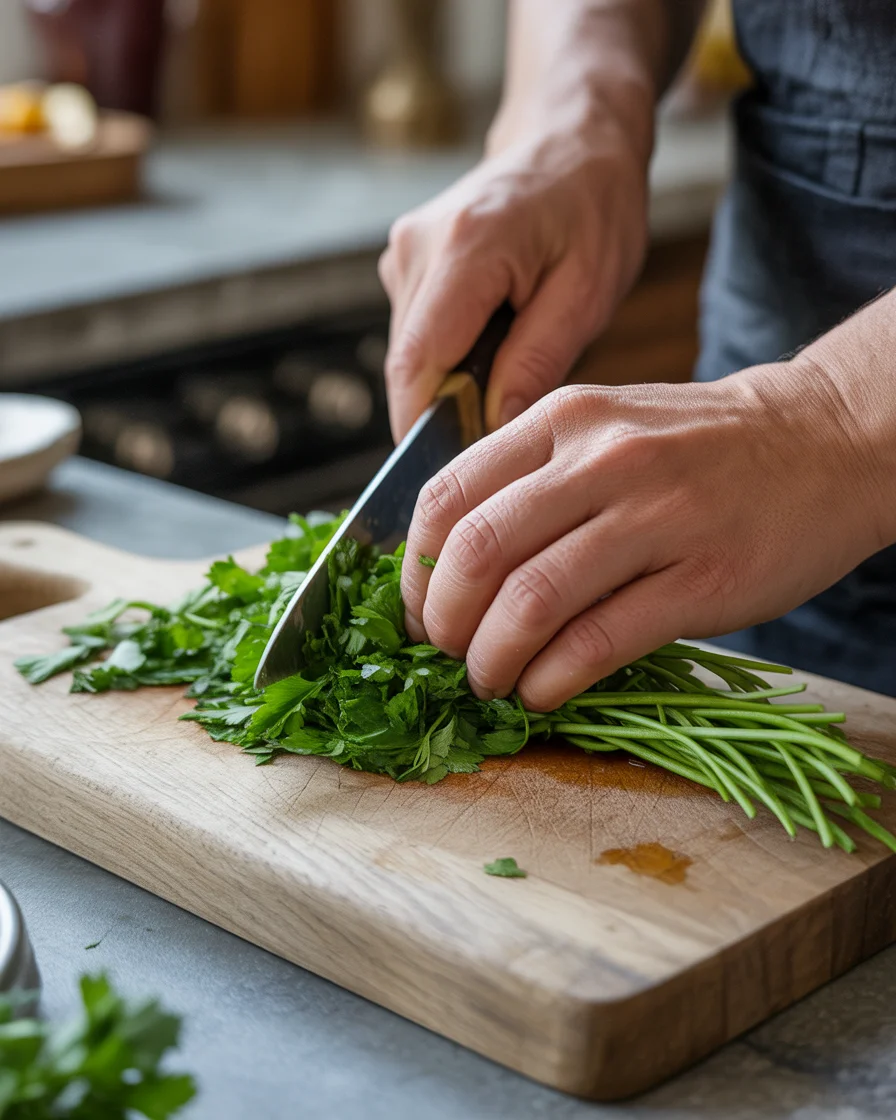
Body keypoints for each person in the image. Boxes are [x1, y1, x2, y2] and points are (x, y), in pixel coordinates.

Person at [379, 0, 896, 710]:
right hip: (743, 514)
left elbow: (817, 425)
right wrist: (573, 108)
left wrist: (829, 417)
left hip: (787, 439)